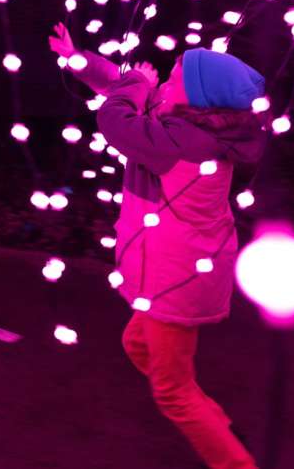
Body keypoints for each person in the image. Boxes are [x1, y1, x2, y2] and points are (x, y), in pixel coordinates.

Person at [49, 23, 266, 469]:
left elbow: (115, 118)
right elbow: (121, 88)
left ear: (198, 99)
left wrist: (136, 82)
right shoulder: (183, 126)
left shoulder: (184, 143)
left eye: (175, 78)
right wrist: (78, 59)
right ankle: (220, 427)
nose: (164, 80)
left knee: (172, 392)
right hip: (175, 269)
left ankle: (235, 461)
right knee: (137, 344)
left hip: (177, 275)